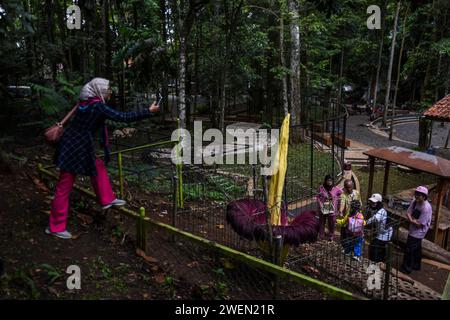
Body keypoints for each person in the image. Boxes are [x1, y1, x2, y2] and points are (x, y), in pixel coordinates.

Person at [46, 78, 159, 239]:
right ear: (98, 90)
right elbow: (122, 117)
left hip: (73, 144)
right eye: (107, 89)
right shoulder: (97, 106)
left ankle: (107, 198)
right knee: (64, 186)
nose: (109, 92)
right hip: (76, 147)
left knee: (96, 166)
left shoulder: (84, 102)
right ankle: (55, 227)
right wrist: (148, 111)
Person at [400, 186, 432, 274]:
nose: (417, 197)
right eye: (416, 194)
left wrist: (412, 220)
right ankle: (416, 265)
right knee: (416, 248)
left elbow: (420, 224)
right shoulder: (415, 202)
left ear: (424, 197)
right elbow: (408, 212)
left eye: (419, 195)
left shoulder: (426, 208)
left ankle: (406, 268)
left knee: (409, 249)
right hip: (413, 226)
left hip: (419, 231)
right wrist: (411, 220)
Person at [366, 193, 393, 262]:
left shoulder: (382, 211)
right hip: (379, 231)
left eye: (374, 202)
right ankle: (380, 260)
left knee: (375, 247)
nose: (372, 204)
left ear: (379, 203)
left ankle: (377, 261)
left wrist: (364, 222)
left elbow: (374, 219)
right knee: (377, 246)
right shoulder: (374, 209)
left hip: (385, 233)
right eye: (371, 202)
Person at [337, 179, 362, 253]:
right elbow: (342, 204)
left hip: (355, 217)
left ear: (353, 186)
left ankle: (353, 249)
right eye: (347, 187)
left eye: (350, 187)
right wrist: (341, 211)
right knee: (344, 234)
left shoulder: (356, 193)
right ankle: (345, 248)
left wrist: (359, 212)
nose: (349, 189)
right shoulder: (343, 195)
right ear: (345, 187)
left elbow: (360, 203)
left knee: (354, 234)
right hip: (347, 217)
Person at [316, 175, 342, 241]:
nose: (329, 182)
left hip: (333, 208)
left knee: (332, 222)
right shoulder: (321, 188)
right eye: (328, 180)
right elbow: (317, 197)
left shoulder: (336, 188)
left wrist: (338, 202)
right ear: (325, 181)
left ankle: (331, 235)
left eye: (331, 180)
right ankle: (321, 235)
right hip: (323, 207)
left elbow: (341, 195)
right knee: (322, 222)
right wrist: (320, 204)